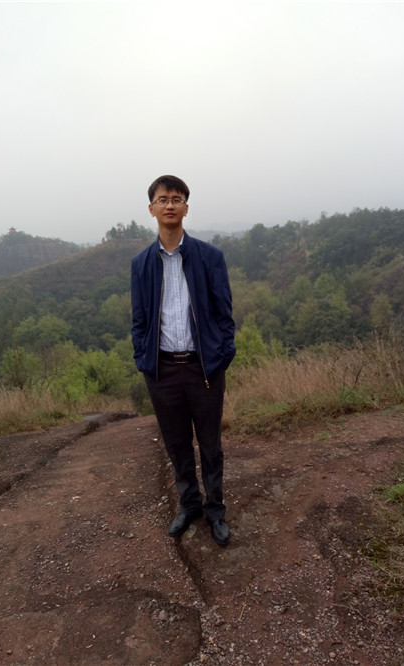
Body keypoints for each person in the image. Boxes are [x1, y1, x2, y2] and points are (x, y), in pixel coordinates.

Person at [131, 175, 236, 546]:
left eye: (176, 199)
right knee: (176, 444)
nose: (170, 205)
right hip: (161, 370)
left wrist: (222, 356)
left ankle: (215, 509)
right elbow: (139, 319)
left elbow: (224, 314)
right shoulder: (141, 264)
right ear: (152, 209)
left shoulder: (209, 257)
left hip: (203, 368)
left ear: (186, 208)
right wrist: (144, 359)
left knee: (210, 444)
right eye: (163, 199)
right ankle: (189, 505)